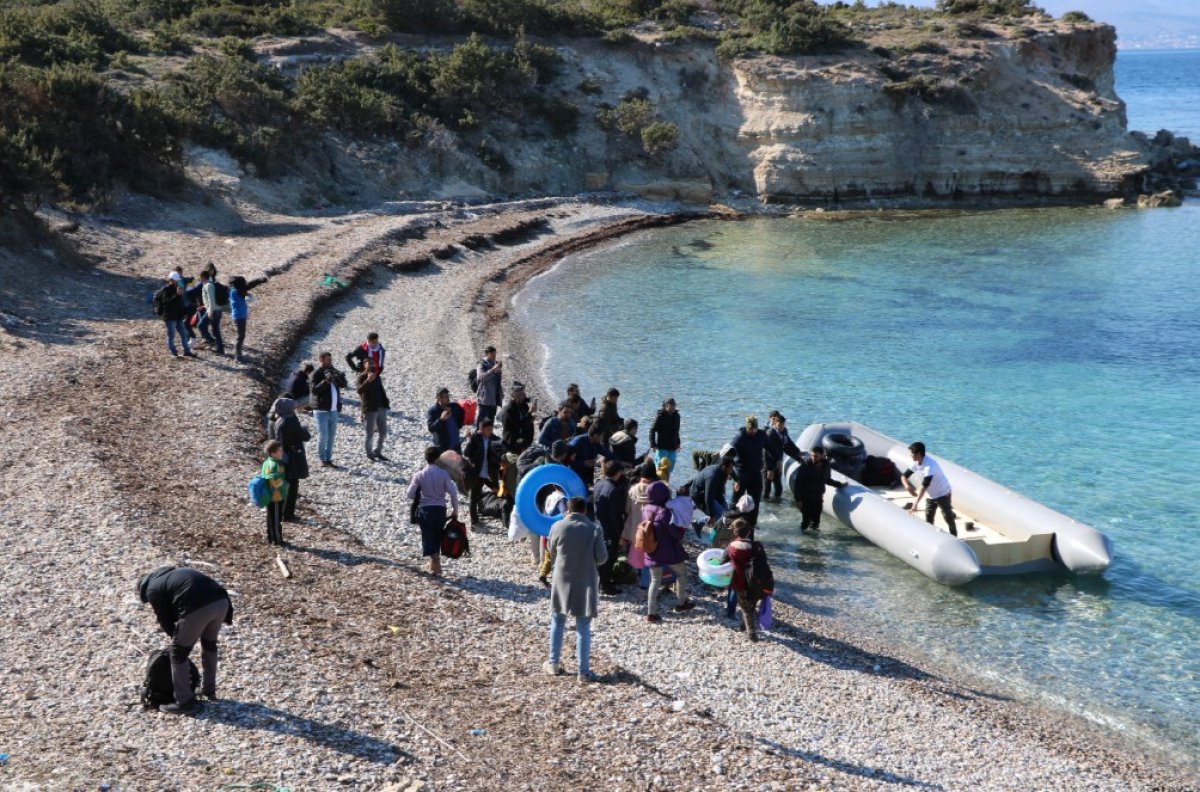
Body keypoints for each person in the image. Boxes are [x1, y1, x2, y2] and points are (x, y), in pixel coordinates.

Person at [138, 566, 234, 714]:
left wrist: (177, 641)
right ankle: (209, 690)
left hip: (198, 607)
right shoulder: (173, 574)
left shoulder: (152, 589)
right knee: (209, 645)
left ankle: (183, 702)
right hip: (222, 602)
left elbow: (165, 619)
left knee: (178, 654)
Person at [544, 496, 608, 682]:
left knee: (557, 621)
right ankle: (583, 672)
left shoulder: (557, 526)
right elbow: (602, 557)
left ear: (568, 510)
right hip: (585, 580)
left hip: (561, 578)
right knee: (583, 627)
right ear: (585, 510)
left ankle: (554, 663)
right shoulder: (594, 529)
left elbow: (551, 550)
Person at [644, 480, 694, 623]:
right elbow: (675, 534)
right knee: (682, 573)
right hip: (668, 551)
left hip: (651, 549)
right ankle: (681, 603)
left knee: (655, 580)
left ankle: (651, 613)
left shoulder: (646, 508)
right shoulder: (664, 512)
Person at [407, 446, 460, 575]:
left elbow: (410, 494)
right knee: (437, 535)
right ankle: (435, 565)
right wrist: (455, 510)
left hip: (425, 509)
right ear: (437, 459)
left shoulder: (419, 475)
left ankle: (436, 562)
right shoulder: (444, 474)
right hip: (440, 509)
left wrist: (420, 493)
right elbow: (453, 493)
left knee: (427, 536)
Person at [902, 441, 957, 536]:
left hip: (942, 493)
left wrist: (915, 504)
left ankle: (954, 535)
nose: (910, 455)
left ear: (918, 454)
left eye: (912, 453)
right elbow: (904, 476)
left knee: (948, 517)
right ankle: (931, 537)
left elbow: (924, 486)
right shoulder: (916, 462)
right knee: (928, 517)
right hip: (930, 495)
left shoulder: (930, 466)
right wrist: (907, 486)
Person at [723, 519, 764, 642]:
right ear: (749, 532)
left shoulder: (730, 547)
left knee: (745, 608)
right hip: (755, 580)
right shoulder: (757, 546)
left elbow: (723, 562)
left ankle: (751, 633)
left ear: (735, 532)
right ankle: (744, 626)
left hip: (739, 581)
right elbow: (763, 562)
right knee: (751, 605)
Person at [271, 397, 310, 522]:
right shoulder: (290, 420)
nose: (294, 408)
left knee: (284, 484)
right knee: (292, 486)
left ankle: (283, 512)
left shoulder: (279, 420)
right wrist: (304, 428)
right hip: (292, 456)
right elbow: (304, 436)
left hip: (282, 455)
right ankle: (288, 515)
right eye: (292, 407)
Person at [592, 460, 628, 595]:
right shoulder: (614, 490)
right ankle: (605, 584)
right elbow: (615, 516)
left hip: (597, 524)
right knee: (610, 555)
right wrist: (621, 534)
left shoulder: (599, 484)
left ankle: (599, 580)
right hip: (609, 528)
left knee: (599, 553)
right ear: (618, 473)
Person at [792, 446, 847, 531]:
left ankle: (814, 538)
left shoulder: (826, 465)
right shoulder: (805, 465)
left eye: (816, 456)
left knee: (816, 522)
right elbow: (798, 483)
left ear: (821, 456)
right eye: (812, 456)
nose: (814, 458)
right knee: (806, 522)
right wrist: (798, 500)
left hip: (818, 498)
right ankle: (802, 537)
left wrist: (840, 485)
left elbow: (827, 480)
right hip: (806, 498)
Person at [310, 353, 348, 468]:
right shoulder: (316, 373)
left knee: (331, 436)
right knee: (323, 436)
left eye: (330, 359)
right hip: (321, 411)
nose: (330, 361)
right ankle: (322, 458)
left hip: (333, 410)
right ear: (321, 360)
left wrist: (340, 377)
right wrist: (326, 381)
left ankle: (328, 458)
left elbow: (344, 385)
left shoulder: (333, 371)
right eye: (327, 360)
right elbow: (314, 390)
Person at [464, 418, 503, 529]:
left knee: (496, 490)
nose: (490, 431)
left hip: (488, 473)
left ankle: (487, 509)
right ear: (481, 429)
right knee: (473, 497)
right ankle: (474, 520)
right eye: (488, 429)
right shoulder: (475, 438)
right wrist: (469, 440)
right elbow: (466, 453)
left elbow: (498, 451)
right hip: (476, 473)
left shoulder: (493, 439)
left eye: (491, 429)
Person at [730, 416, 767, 526]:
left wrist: (775, 463)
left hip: (756, 474)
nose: (752, 431)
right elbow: (727, 457)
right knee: (735, 502)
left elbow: (771, 448)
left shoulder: (761, 435)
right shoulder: (739, 439)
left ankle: (752, 525)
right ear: (746, 428)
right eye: (750, 429)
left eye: (754, 429)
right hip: (741, 474)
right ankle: (731, 523)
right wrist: (734, 478)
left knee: (755, 502)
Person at [356, 356, 390, 461]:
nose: (371, 365)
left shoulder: (377, 376)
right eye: (369, 363)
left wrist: (386, 402)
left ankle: (378, 452)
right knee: (369, 433)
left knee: (383, 433)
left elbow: (381, 390)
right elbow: (359, 390)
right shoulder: (362, 376)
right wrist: (368, 381)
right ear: (364, 365)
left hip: (381, 407)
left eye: (372, 363)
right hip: (370, 409)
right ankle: (369, 454)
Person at [153, 275, 195, 358]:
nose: (178, 282)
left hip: (178, 316)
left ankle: (187, 351)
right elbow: (167, 302)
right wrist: (177, 295)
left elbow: (181, 303)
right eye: (176, 280)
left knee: (184, 334)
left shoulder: (178, 288)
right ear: (171, 280)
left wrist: (185, 313)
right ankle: (173, 352)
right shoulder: (166, 290)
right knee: (171, 336)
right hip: (170, 317)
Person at [227, 275, 266, 363]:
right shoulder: (236, 291)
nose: (244, 285)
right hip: (239, 316)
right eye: (243, 284)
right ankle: (238, 356)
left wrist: (258, 281)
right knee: (240, 336)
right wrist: (259, 280)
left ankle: (238, 353)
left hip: (239, 316)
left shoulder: (234, 290)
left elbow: (247, 288)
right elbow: (249, 286)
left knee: (241, 336)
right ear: (239, 284)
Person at [689, 455, 734, 529]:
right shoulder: (712, 476)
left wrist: (724, 504)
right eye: (730, 468)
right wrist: (711, 515)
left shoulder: (722, 473)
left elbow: (719, 492)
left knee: (726, 512)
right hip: (698, 495)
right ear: (724, 467)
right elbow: (708, 497)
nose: (731, 471)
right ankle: (700, 524)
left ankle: (697, 523)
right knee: (721, 517)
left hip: (709, 494)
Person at [764, 411, 797, 501]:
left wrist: (798, 453)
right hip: (769, 464)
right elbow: (766, 453)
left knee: (778, 487)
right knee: (767, 487)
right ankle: (765, 504)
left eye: (783, 425)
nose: (782, 427)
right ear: (775, 423)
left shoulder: (784, 431)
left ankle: (777, 503)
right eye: (780, 425)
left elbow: (788, 444)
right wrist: (769, 469)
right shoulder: (769, 433)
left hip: (778, 462)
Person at [568, 423, 613, 488]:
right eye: (601, 436)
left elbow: (608, 454)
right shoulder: (578, 441)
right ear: (595, 435)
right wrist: (583, 463)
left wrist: (620, 462)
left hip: (587, 476)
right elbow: (566, 459)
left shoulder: (596, 444)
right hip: (574, 476)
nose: (602, 438)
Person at [261, 440, 288, 545]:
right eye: (279, 451)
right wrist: (285, 485)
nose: (282, 453)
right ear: (272, 453)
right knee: (276, 518)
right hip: (276, 496)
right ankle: (277, 540)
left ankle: (270, 537)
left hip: (268, 495)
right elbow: (274, 481)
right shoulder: (274, 465)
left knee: (270, 517)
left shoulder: (266, 462)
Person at [428, 387, 467, 454]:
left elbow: (462, 412)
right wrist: (441, 419)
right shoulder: (433, 411)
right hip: (443, 448)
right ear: (439, 398)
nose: (448, 399)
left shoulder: (454, 406)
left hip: (456, 446)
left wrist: (459, 425)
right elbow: (431, 428)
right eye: (445, 397)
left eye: (448, 396)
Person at [649, 398, 682, 478]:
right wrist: (653, 445)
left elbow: (676, 431)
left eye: (674, 405)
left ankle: (666, 483)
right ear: (665, 406)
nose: (673, 407)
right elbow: (652, 430)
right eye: (671, 405)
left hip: (672, 447)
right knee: (660, 469)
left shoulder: (677, 416)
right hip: (662, 447)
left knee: (669, 469)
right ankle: (657, 483)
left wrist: (678, 443)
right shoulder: (660, 416)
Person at [501, 382, 536, 454]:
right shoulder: (509, 409)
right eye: (520, 394)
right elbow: (518, 426)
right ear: (513, 395)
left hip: (524, 442)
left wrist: (531, 417)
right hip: (512, 444)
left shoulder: (524, 406)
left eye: (523, 393)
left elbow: (527, 423)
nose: (523, 396)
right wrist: (530, 413)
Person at [199, 270, 227, 355]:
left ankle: (212, 341)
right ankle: (220, 350)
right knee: (216, 330)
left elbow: (211, 300)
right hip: (216, 310)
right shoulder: (209, 285)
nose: (200, 279)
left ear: (203, 277)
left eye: (200, 277)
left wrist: (210, 312)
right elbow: (209, 300)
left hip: (213, 311)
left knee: (200, 326)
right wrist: (204, 306)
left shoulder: (208, 285)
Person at [474, 346, 503, 427]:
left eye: (495, 354)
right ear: (487, 354)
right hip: (484, 398)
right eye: (492, 354)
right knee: (482, 419)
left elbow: (497, 380)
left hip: (494, 398)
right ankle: (479, 432)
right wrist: (493, 370)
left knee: (491, 419)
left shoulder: (495, 363)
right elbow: (481, 377)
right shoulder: (481, 364)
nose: (494, 356)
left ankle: (490, 432)